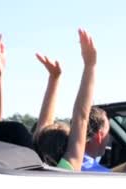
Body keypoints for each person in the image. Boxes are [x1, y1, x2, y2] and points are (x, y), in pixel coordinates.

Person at [34, 29, 97, 171]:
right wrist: (90, 64)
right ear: (69, 146)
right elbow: (80, 117)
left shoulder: (29, 164)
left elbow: (80, 117)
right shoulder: (67, 170)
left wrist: (54, 78)